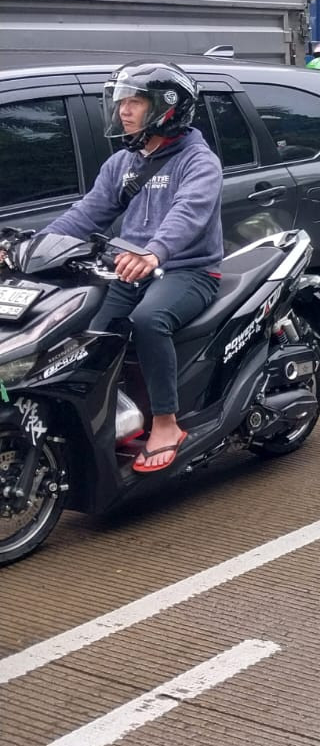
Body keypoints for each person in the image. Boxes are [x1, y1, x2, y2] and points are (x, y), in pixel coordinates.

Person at [40, 62, 224, 473]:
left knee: (148, 320)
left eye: (135, 101)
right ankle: (105, 416)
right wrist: (36, 247)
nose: (124, 110)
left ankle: (165, 423)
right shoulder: (124, 163)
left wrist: (153, 252)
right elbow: (85, 215)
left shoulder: (198, 160)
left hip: (189, 271)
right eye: (121, 101)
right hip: (129, 269)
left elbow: (188, 213)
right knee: (90, 329)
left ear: (166, 108)